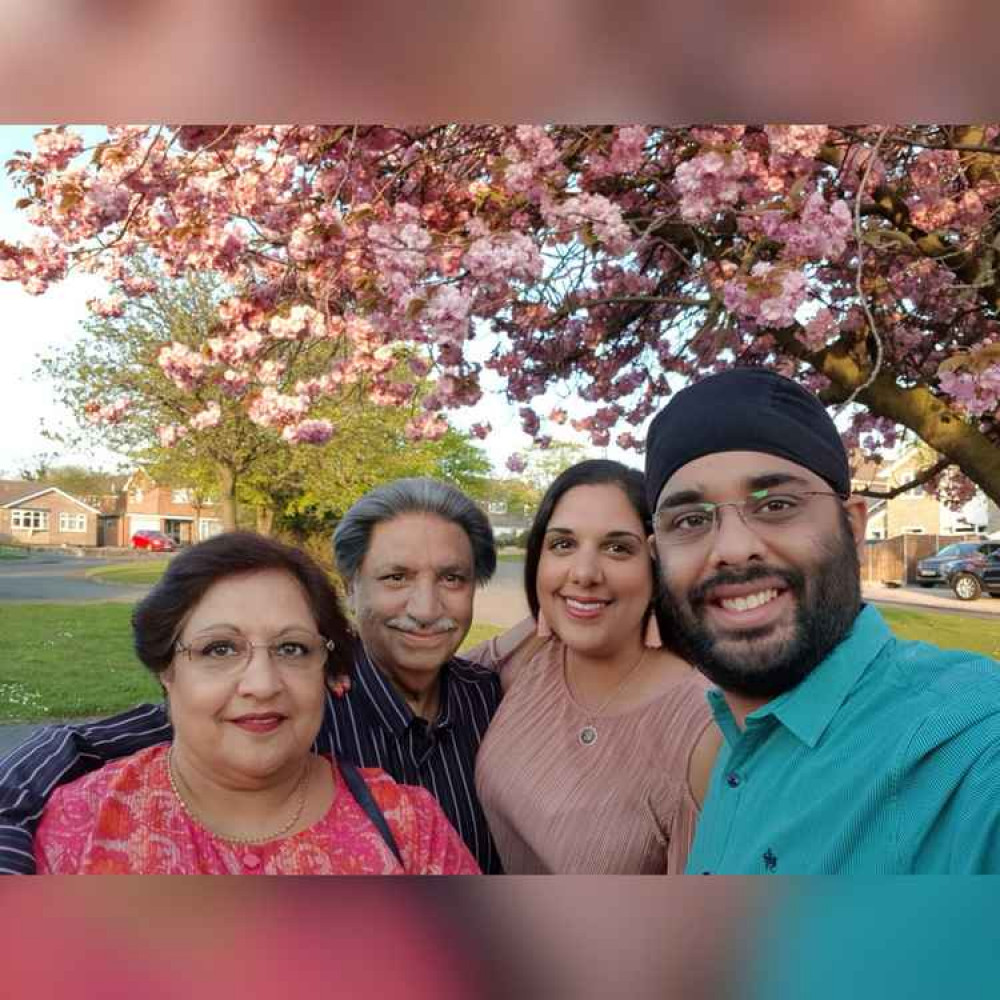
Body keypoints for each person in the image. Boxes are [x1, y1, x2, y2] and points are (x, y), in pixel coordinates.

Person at [0, 479, 502, 874]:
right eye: (396, 577)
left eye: (452, 578)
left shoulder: (495, 699)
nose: (425, 607)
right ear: (351, 590)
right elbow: (76, 750)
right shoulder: (284, 710)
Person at [645, 366, 1000, 873]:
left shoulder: (965, 744)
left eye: (776, 504)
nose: (733, 548)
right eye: (691, 520)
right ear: (658, 555)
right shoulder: (733, 746)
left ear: (853, 526)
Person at [467, 460, 719, 873]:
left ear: (658, 569)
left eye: (618, 548)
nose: (583, 573)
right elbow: (434, 676)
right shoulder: (536, 654)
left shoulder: (702, 733)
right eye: (563, 545)